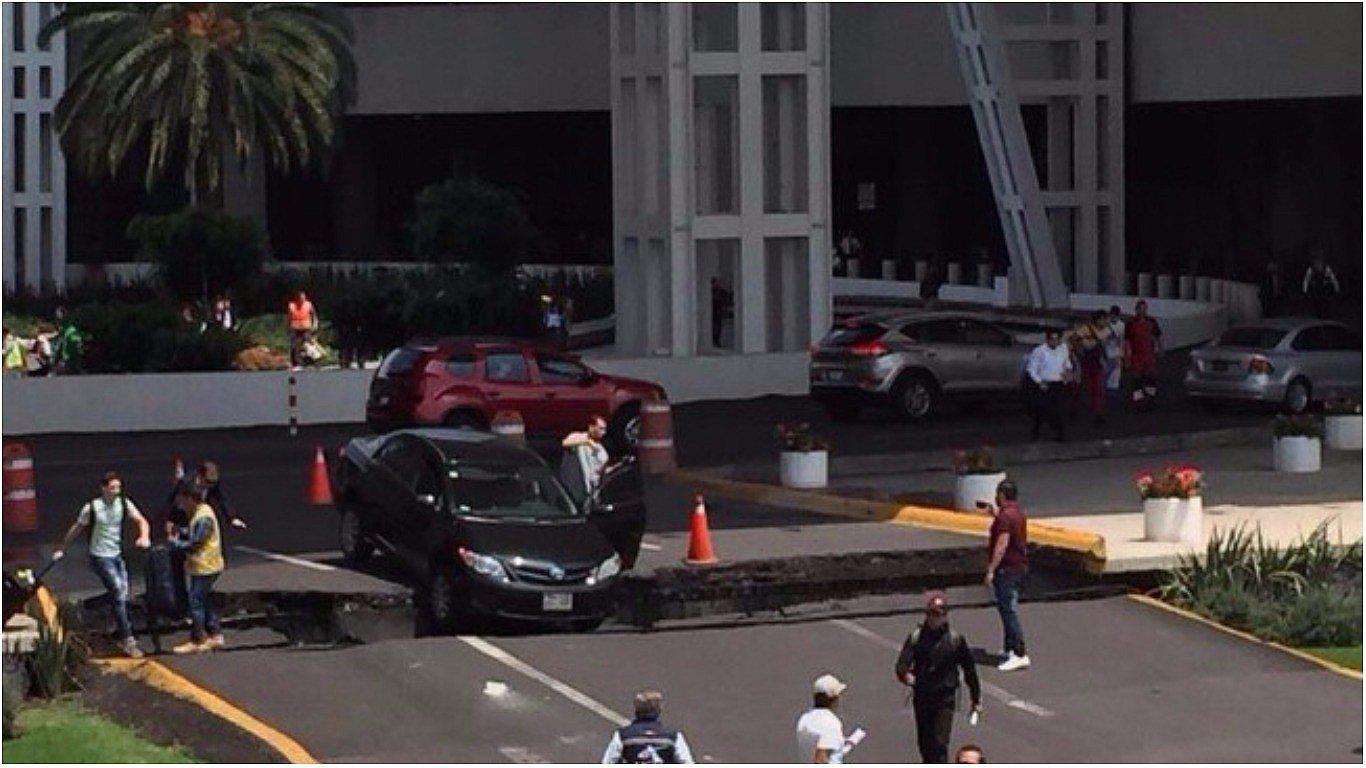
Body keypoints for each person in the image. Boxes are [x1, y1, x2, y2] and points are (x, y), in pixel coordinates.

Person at [53, 472, 152, 658]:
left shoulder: (124, 504)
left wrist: (144, 536)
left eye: (118, 488)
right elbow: (77, 528)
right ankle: (128, 639)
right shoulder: (93, 508)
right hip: (100, 556)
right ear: (104, 488)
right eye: (113, 488)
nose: (116, 492)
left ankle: (86, 607)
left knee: (122, 594)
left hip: (116, 555)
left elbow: (141, 520)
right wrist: (62, 548)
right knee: (117, 591)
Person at [895, 592, 982, 764]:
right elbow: (902, 665)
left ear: (945, 616)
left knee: (940, 743)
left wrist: (976, 698)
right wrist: (906, 676)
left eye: (938, 614)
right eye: (931, 614)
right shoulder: (916, 638)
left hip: (945, 696)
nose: (934, 618)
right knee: (925, 742)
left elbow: (969, 670)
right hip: (922, 695)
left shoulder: (955, 640)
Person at [170, 485, 226, 653]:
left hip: (206, 565)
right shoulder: (200, 513)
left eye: (182, 499)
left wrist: (175, 543)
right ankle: (215, 635)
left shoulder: (203, 517)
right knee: (204, 600)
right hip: (203, 565)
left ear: (190, 498)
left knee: (196, 602)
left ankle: (198, 638)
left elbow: (196, 543)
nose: (180, 503)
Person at [982, 479, 1030, 672]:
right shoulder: (1016, 513)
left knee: (1008, 609)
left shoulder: (1004, 518)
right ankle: (1010, 647)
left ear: (1001, 495)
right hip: (1018, 566)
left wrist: (991, 569)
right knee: (1006, 607)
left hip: (1007, 568)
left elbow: (1002, 544)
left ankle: (1019, 652)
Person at [601, 691, 695, 764]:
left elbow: (608, 762)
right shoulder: (673, 736)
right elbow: (687, 762)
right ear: (658, 711)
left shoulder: (623, 735)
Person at [795, 674, 857, 764]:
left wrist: (840, 742)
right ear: (834, 698)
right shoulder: (830, 722)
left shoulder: (804, 719)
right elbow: (820, 759)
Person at [1025, 329, 1072, 442]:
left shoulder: (1063, 349)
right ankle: (1036, 431)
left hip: (1059, 383)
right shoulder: (1039, 351)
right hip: (1044, 384)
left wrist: (1067, 372)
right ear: (1047, 339)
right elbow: (1031, 369)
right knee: (1041, 411)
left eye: (1057, 339)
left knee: (1059, 410)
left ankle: (1060, 435)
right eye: (1052, 339)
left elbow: (1067, 363)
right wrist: (1039, 381)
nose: (1054, 342)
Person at [1071, 311, 1110, 426]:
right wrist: (1081, 348)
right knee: (1081, 387)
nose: (1104, 322)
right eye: (1103, 319)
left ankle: (1097, 413)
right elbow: (1074, 339)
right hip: (1085, 362)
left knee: (1097, 389)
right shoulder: (1086, 329)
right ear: (1097, 320)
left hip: (1096, 362)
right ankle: (1075, 408)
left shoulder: (1105, 331)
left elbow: (1104, 347)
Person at [561, 415, 611, 501]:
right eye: (601, 428)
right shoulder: (577, 437)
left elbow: (600, 472)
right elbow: (565, 443)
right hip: (568, 490)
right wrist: (587, 442)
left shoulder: (602, 452)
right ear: (591, 427)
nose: (604, 432)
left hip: (588, 494)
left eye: (604, 429)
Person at [1123, 300, 1162, 407]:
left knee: (1151, 376)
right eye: (1140, 309)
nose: (1142, 311)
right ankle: (1138, 400)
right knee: (1137, 377)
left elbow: (1157, 336)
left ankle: (1150, 398)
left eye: (1144, 309)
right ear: (1136, 310)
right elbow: (1127, 341)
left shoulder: (1151, 321)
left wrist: (1160, 349)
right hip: (1137, 354)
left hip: (1149, 353)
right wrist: (1127, 356)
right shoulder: (1131, 323)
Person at [1301, 252, 1340, 319]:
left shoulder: (1326, 268)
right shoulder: (1311, 269)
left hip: (1324, 289)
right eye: (1317, 263)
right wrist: (1305, 291)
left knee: (1326, 304)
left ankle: (1326, 315)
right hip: (1316, 290)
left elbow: (1333, 278)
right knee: (1317, 304)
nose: (1318, 264)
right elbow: (1306, 280)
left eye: (1319, 263)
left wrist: (1336, 288)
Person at [287, 291, 318, 369]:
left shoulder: (309, 304)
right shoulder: (292, 305)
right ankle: (295, 364)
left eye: (303, 298)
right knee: (295, 345)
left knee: (308, 345)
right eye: (301, 298)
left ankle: (309, 362)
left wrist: (315, 324)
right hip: (295, 328)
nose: (302, 300)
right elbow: (289, 317)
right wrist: (288, 327)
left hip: (306, 327)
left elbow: (314, 315)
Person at [1102, 306, 1126, 409]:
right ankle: (1105, 395)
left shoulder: (1121, 325)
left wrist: (1121, 353)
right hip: (1107, 353)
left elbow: (1121, 339)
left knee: (1115, 375)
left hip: (1116, 353)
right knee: (1106, 375)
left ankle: (1112, 397)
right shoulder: (1106, 325)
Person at [50, 306, 83, 375]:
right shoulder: (61, 332)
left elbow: (77, 346)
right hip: (61, 362)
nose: (58, 321)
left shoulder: (71, 331)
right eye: (57, 319)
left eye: (60, 318)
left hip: (69, 362)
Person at [709, 279, 733, 349]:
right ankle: (714, 341)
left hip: (718, 312)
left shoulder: (721, 291)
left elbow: (728, 297)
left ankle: (716, 341)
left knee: (718, 327)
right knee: (714, 327)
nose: (717, 284)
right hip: (713, 312)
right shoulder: (712, 292)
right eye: (716, 283)